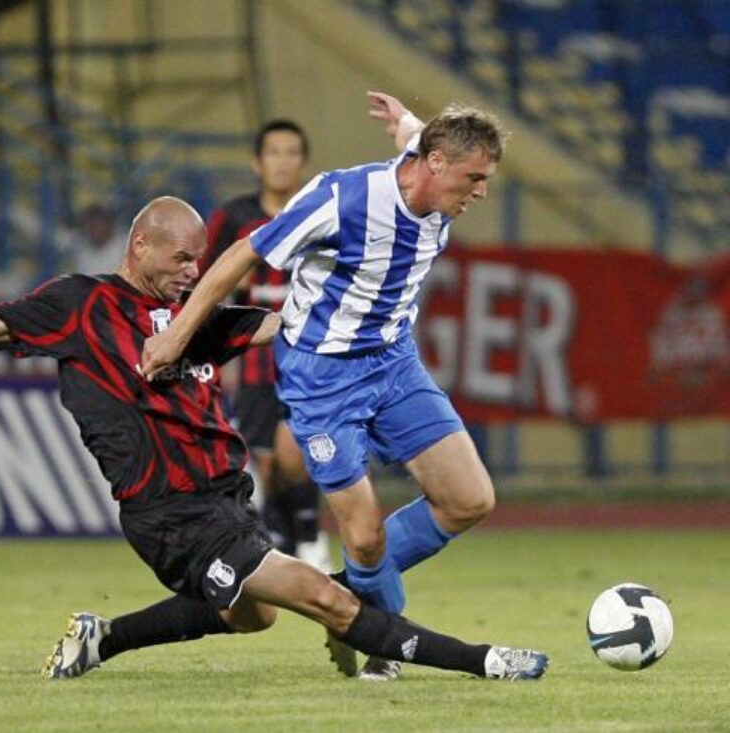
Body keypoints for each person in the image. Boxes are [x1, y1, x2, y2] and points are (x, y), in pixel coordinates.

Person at [0, 195, 547, 683]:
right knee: (326, 601)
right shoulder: (81, 305)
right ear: (138, 245)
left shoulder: (192, 318)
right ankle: (483, 660)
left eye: (199, 259)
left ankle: (104, 637)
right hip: (170, 516)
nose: (191, 270)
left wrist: (351, 320)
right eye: (181, 257)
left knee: (256, 616)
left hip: (227, 504)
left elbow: (284, 325)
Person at [140, 92, 507, 680]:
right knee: (363, 538)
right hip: (323, 378)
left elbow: (419, 136)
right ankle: (380, 643)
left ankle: (345, 601)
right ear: (436, 164)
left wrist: (404, 121)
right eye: (474, 178)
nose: (480, 191)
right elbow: (241, 254)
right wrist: (178, 335)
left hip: (393, 364)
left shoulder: (432, 169)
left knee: (470, 500)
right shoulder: (343, 199)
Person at [201, 119, 330, 569]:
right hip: (255, 360)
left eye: (292, 152)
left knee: (298, 449)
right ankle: (286, 541)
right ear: (257, 162)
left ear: (304, 162)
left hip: (311, 356)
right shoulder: (234, 218)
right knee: (268, 463)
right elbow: (207, 280)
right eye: (273, 153)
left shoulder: (322, 211)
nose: (282, 162)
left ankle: (311, 534)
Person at [67, 202, 128, 275]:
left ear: (110, 225)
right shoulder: (79, 247)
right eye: (90, 225)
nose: (94, 229)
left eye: (97, 224)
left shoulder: (126, 245)